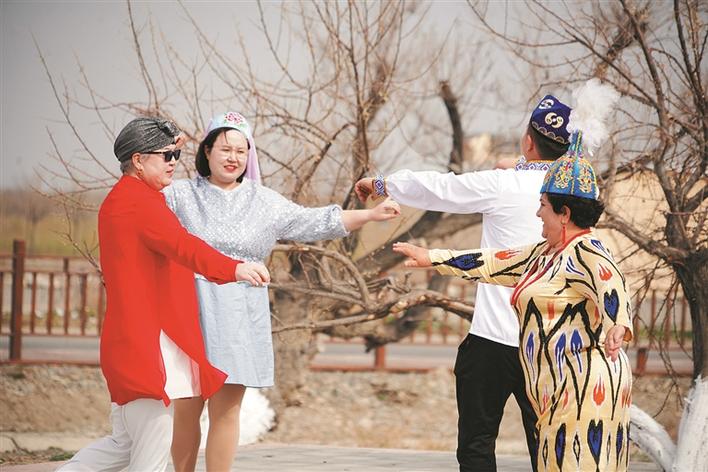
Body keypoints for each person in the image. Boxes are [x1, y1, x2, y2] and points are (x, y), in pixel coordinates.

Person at [393, 108, 633, 470]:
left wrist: (618, 323)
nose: (537, 214)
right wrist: (432, 258)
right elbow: (496, 262)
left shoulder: (586, 251)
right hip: (549, 374)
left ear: (564, 214)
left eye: (543, 206)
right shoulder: (545, 252)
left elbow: (611, 284)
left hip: (580, 383)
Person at [163, 112, 401, 472]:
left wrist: (369, 216)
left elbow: (316, 221)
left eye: (241, 150)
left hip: (241, 314)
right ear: (207, 151)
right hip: (190, 310)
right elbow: (143, 217)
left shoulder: (264, 201)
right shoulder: (179, 195)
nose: (233, 157)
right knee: (187, 408)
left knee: (226, 410)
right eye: (225, 149)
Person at [355, 94, 572, 471]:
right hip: (551, 343)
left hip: (494, 339)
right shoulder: (578, 193)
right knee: (551, 448)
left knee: (476, 445)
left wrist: (382, 183)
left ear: (528, 141)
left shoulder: (503, 184)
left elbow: (441, 188)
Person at [57, 117, 270, 472]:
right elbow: (183, 245)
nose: (173, 162)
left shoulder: (124, 198)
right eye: (166, 155)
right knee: (149, 456)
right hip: (148, 347)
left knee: (123, 446)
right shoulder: (140, 203)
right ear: (138, 160)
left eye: (177, 154)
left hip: (133, 342)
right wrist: (234, 268)